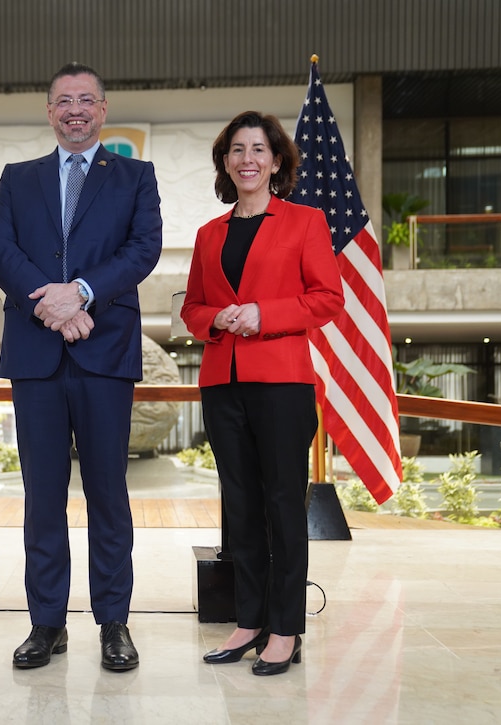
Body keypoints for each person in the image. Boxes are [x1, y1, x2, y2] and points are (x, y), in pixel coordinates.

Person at [0, 62, 163, 672]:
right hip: (37, 358)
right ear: (49, 111)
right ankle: (46, 624)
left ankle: (114, 623)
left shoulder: (136, 176)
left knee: (108, 494)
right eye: (64, 100)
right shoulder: (17, 178)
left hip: (104, 352)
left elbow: (142, 249)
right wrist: (52, 302)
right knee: (41, 496)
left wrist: (81, 293)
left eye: (86, 100)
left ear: (104, 109)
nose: (75, 109)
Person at [181, 111, 344, 676]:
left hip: (281, 383)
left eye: (259, 148)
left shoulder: (304, 222)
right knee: (241, 506)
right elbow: (192, 308)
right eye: (237, 149)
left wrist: (262, 314)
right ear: (226, 162)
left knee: (281, 506)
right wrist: (217, 320)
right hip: (222, 385)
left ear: (276, 161)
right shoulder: (209, 234)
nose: (247, 158)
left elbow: (327, 298)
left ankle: (286, 628)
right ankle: (249, 622)